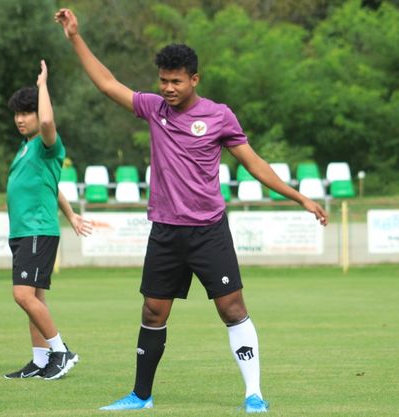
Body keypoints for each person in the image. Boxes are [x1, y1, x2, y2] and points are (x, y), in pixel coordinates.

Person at [55, 8, 328, 413]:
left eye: (175, 81)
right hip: (165, 230)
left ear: (194, 79)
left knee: (232, 308)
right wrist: (75, 36)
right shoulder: (153, 109)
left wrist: (301, 197)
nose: (167, 88)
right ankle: (141, 396)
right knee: (152, 310)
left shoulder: (218, 116)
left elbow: (254, 165)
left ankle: (253, 394)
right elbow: (108, 83)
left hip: (208, 230)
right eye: (163, 80)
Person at [3, 60, 92, 380]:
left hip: (37, 230)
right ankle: (40, 360)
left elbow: (49, 120)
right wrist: (70, 214)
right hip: (23, 231)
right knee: (33, 299)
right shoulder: (26, 148)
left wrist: (43, 86)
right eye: (17, 114)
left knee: (22, 295)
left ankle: (61, 351)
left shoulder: (47, 144)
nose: (20, 119)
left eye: (26, 113)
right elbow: (51, 188)